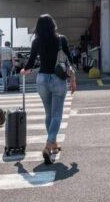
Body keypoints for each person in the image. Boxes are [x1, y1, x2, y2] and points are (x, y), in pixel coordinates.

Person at [21, 14, 77, 164]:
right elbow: (70, 61)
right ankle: (48, 145)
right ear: (53, 25)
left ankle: (53, 145)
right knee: (57, 115)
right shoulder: (61, 39)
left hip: (42, 80)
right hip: (58, 79)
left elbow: (31, 62)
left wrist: (23, 70)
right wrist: (73, 79)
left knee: (49, 114)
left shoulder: (37, 41)